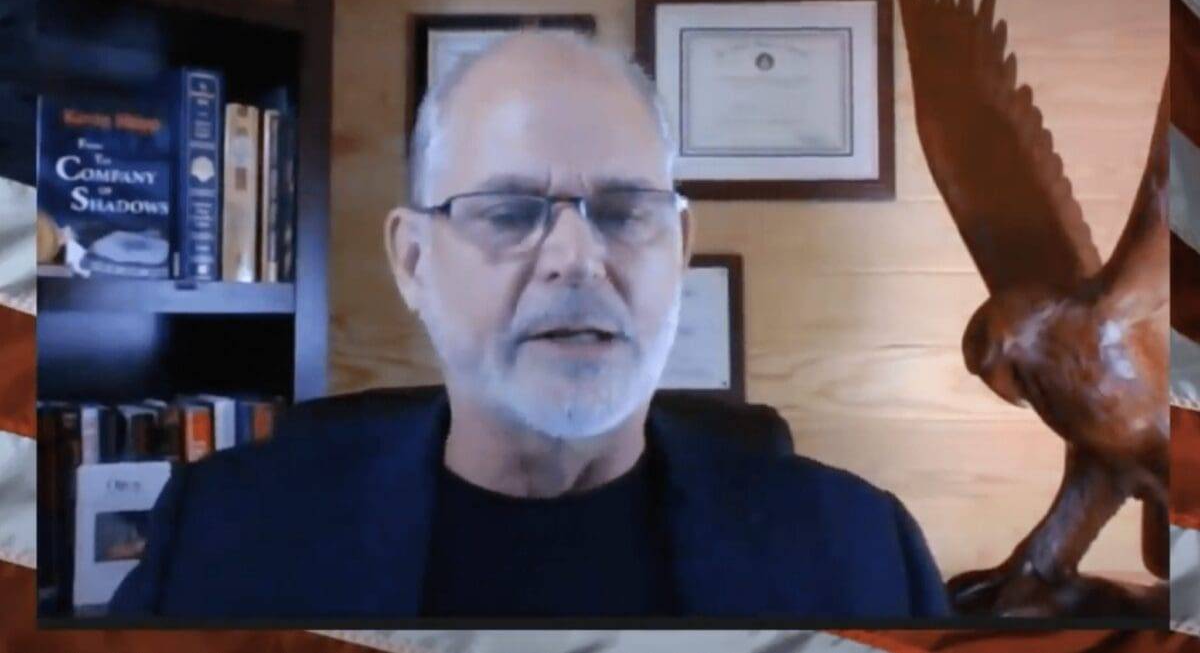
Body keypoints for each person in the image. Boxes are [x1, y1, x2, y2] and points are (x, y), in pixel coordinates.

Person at [109, 32, 951, 619]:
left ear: (680, 247)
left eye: (624, 210)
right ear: (413, 261)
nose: (576, 258)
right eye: (510, 211)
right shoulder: (222, 543)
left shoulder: (863, 555)